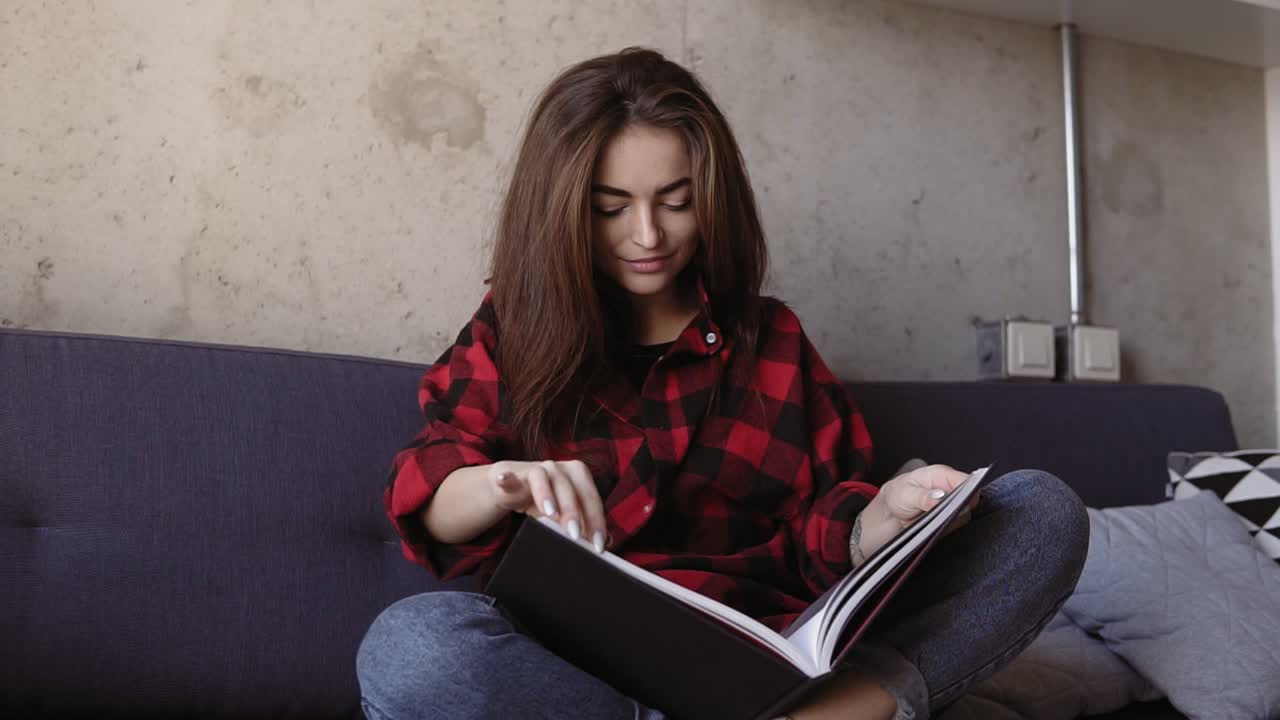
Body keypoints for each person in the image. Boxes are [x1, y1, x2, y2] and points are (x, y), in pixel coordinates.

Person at [356, 47, 1089, 720]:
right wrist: (502, 484)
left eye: (676, 201)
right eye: (611, 208)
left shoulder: (768, 339)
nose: (648, 235)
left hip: (770, 657)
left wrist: (885, 516)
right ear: (562, 209)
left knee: (1040, 513)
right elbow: (428, 488)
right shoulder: (513, 328)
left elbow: (823, 532)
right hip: (581, 673)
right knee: (414, 646)